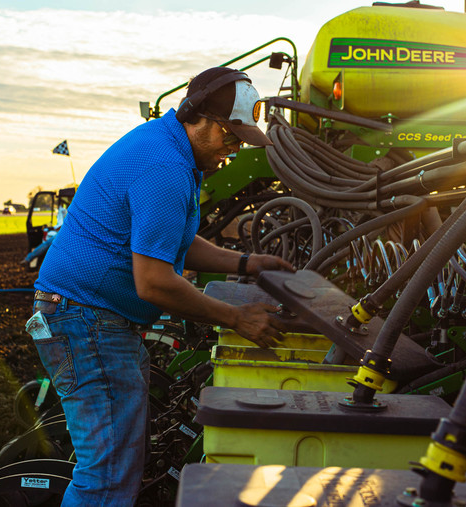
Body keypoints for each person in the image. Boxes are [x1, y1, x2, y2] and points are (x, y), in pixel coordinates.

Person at [27, 67, 294, 506]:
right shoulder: (165, 165)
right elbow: (153, 282)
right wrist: (234, 317)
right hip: (86, 321)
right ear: (199, 117)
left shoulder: (170, 149)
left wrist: (246, 262)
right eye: (231, 135)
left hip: (89, 318)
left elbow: (176, 241)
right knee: (108, 475)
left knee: (114, 463)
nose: (236, 147)